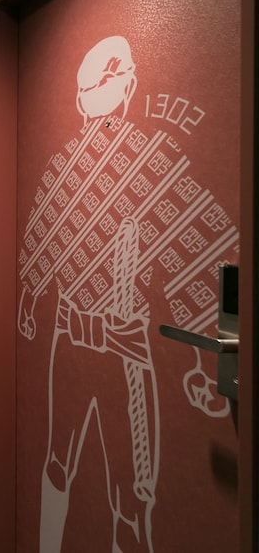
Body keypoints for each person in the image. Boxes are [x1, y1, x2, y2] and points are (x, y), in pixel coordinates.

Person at [17, 36, 237, 552]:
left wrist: (205, 362)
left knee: (132, 499)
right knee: (56, 462)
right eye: (90, 85)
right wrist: (28, 301)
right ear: (79, 99)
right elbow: (41, 241)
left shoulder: (155, 161)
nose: (99, 92)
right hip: (70, 339)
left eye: (111, 79)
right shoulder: (62, 168)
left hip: (125, 351)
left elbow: (195, 252)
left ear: (130, 85)